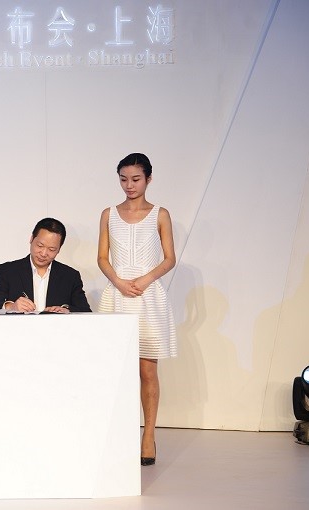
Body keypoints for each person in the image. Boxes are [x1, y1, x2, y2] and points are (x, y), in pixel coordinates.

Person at [97, 153, 177, 467]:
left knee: (147, 370)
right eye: (123, 179)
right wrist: (118, 281)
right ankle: (118, 434)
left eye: (135, 179)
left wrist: (144, 279)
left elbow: (169, 258)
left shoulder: (160, 214)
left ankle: (148, 436)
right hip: (117, 296)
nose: (129, 185)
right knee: (117, 369)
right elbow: (102, 257)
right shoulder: (108, 214)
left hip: (148, 296)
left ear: (148, 179)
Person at [0, 218, 91, 313]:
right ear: (31, 239)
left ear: (59, 249)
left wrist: (67, 310)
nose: (43, 253)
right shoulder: (9, 271)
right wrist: (11, 307)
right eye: (40, 245)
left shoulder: (70, 276)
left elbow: (85, 311)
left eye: (51, 249)